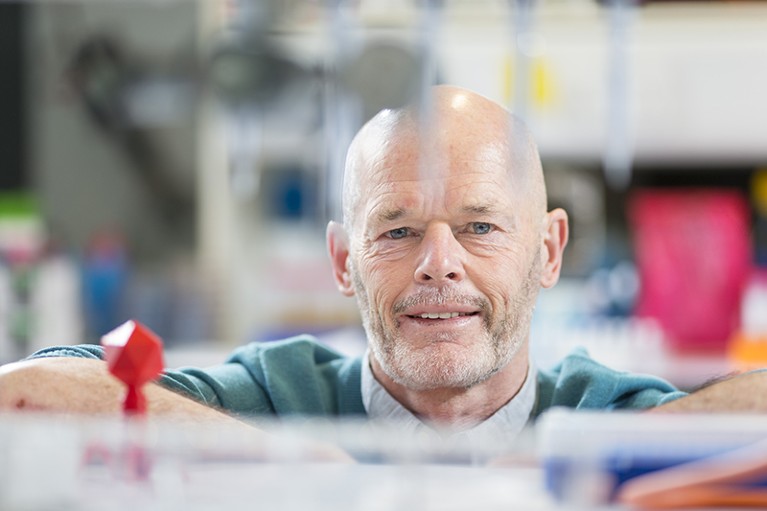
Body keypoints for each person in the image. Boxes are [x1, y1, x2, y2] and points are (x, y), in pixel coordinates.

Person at [0, 85, 765, 445]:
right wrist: (314, 471)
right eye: (396, 232)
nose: (439, 264)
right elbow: (25, 393)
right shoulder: (274, 395)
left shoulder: (609, 416)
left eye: (479, 226)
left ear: (548, 250)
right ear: (342, 259)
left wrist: (563, 466)